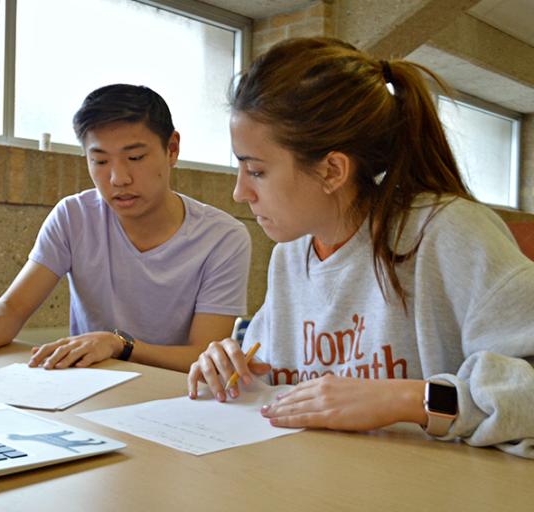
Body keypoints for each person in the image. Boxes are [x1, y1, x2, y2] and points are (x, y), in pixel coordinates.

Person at [187, 37, 534, 458]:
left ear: (332, 170)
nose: (240, 193)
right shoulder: (291, 255)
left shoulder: (450, 233)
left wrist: (407, 400)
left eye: (256, 171)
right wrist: (231, 364)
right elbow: (272, 374)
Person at [0, 84, 251, 373]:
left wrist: (119, 345)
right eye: (100, 161)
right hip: (88, 394)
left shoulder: (223, 238)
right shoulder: (74, 216)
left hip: (178, 403)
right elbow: (11, 309)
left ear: (171, 149)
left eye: (135, 158)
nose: (118, 178)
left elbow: (203, 355)